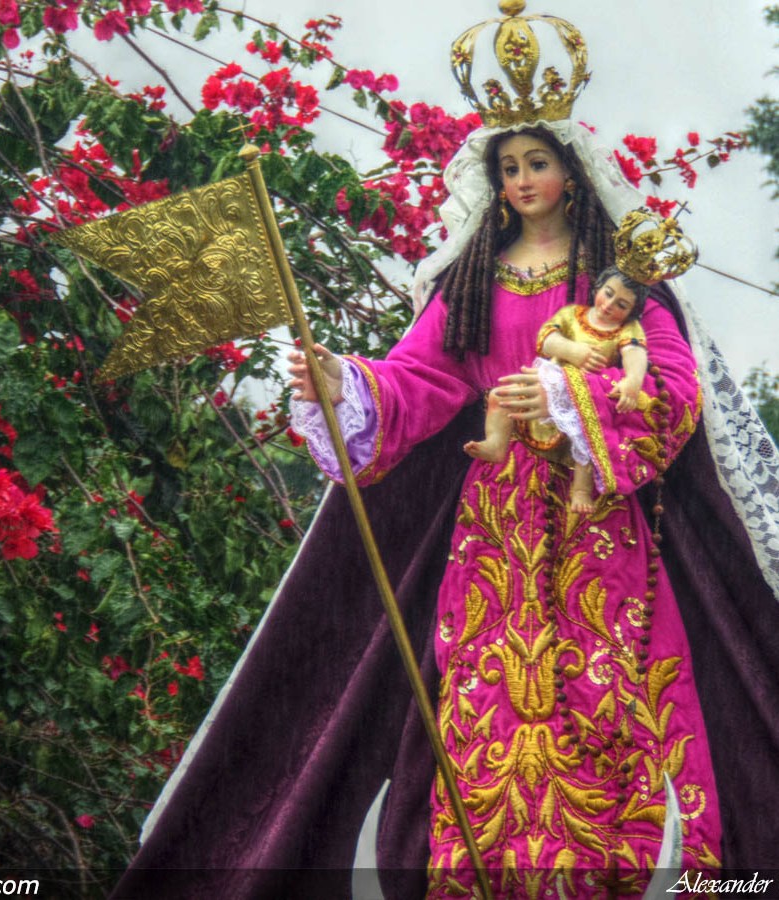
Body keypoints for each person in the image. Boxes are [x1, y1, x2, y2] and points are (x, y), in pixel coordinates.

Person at [112, 12, 779, 900]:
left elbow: (671, 390)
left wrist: (567, 401)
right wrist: (340, 381)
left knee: (607, 694)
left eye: (536, 162)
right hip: (493, 531)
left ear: (571, 172)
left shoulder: (619, 281)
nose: (523, 180)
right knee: (485, 698)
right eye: (509, 167)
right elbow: (416, 381)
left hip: (598, 524)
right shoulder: (471, 280)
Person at [463, 265, 649, 514]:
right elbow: (547, 340)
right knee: (500, 396)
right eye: (608, 293)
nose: (608, 305)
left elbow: (635, 353)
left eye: (621, 305)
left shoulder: (627, 329)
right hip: (550, 379)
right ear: (598, 287)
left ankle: (581, 491)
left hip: (585, 395)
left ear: (631, 312)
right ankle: (496, 443)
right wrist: (573, 350)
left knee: (585, 440)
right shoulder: (573, 314)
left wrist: (633, 380)